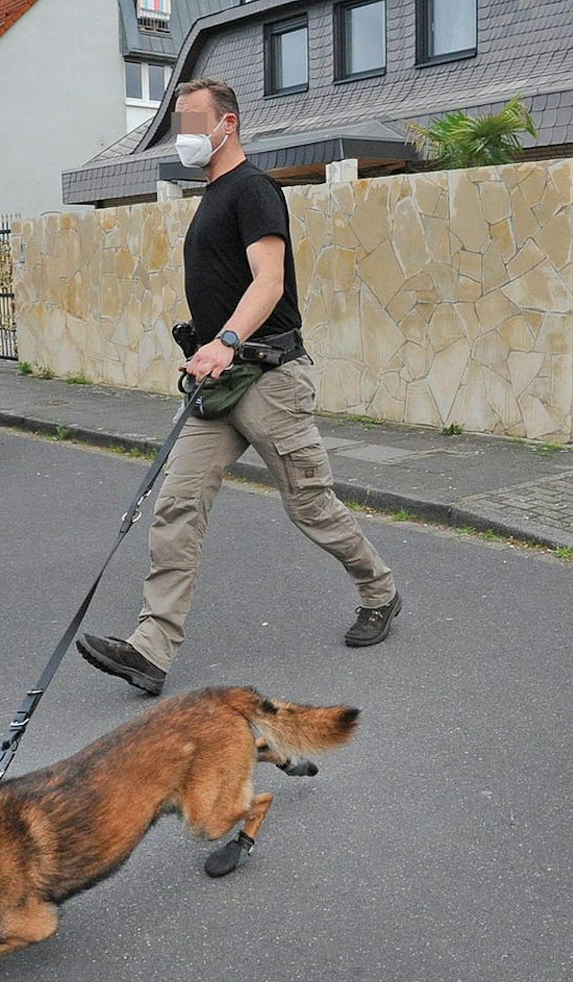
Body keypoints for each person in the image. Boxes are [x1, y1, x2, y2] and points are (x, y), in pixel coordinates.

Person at [77, 78, 401, 696]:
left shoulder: (253, 189)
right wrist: (210, 348)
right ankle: (150, 649)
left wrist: (225, 340)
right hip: (219, 383)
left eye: (193, 122)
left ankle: (380, 591)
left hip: (268, 377)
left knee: (309, 503)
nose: (183, 135)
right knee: (177, 504)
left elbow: (269, 281)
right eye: (179, 123)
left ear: (228, 124)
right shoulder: (212, 195)